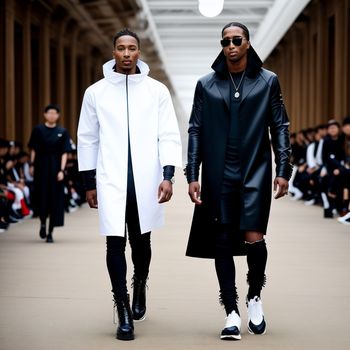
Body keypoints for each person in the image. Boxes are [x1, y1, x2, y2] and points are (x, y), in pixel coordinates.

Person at [185, 22, 292, 340]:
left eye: (236, 40)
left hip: (255, 170)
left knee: (254, 237)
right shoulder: (206, 84)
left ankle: (254, 296)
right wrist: (193, 174)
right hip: (219, 172)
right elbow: (195, 130)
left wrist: (283, 168)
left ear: (247, 43)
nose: (230, 45)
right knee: (221, 241)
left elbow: (280, 125)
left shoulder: (267, 80)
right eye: (225, 41)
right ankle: (231, 310)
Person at [77, 29, 182, 341]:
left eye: (131, 48)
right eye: (120, 48)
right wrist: (89, 182)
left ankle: (140, 283)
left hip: (145, 178)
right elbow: (87, 137)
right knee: (113, 242)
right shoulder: (95, 92)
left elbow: (168, 134)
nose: (126, 54)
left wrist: (167, 175)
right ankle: (122, 307)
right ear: (113, 53)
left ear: (139, 52)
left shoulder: (156, 91)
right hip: (110, 178)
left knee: (141, 241)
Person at [28, 104, 71, 243]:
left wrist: (62, 170)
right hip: (41, 166)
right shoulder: (38, 130)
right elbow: (33, 148)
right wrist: (31, 164)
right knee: (42, 197)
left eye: (54, 113)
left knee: (54, 199)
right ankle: (42, 223)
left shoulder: (62, 131)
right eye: (49, 113)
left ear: (58, 116)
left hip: (55, 167)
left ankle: (50, 232)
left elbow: (65, 152)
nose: (52, 115)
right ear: (45, 115)